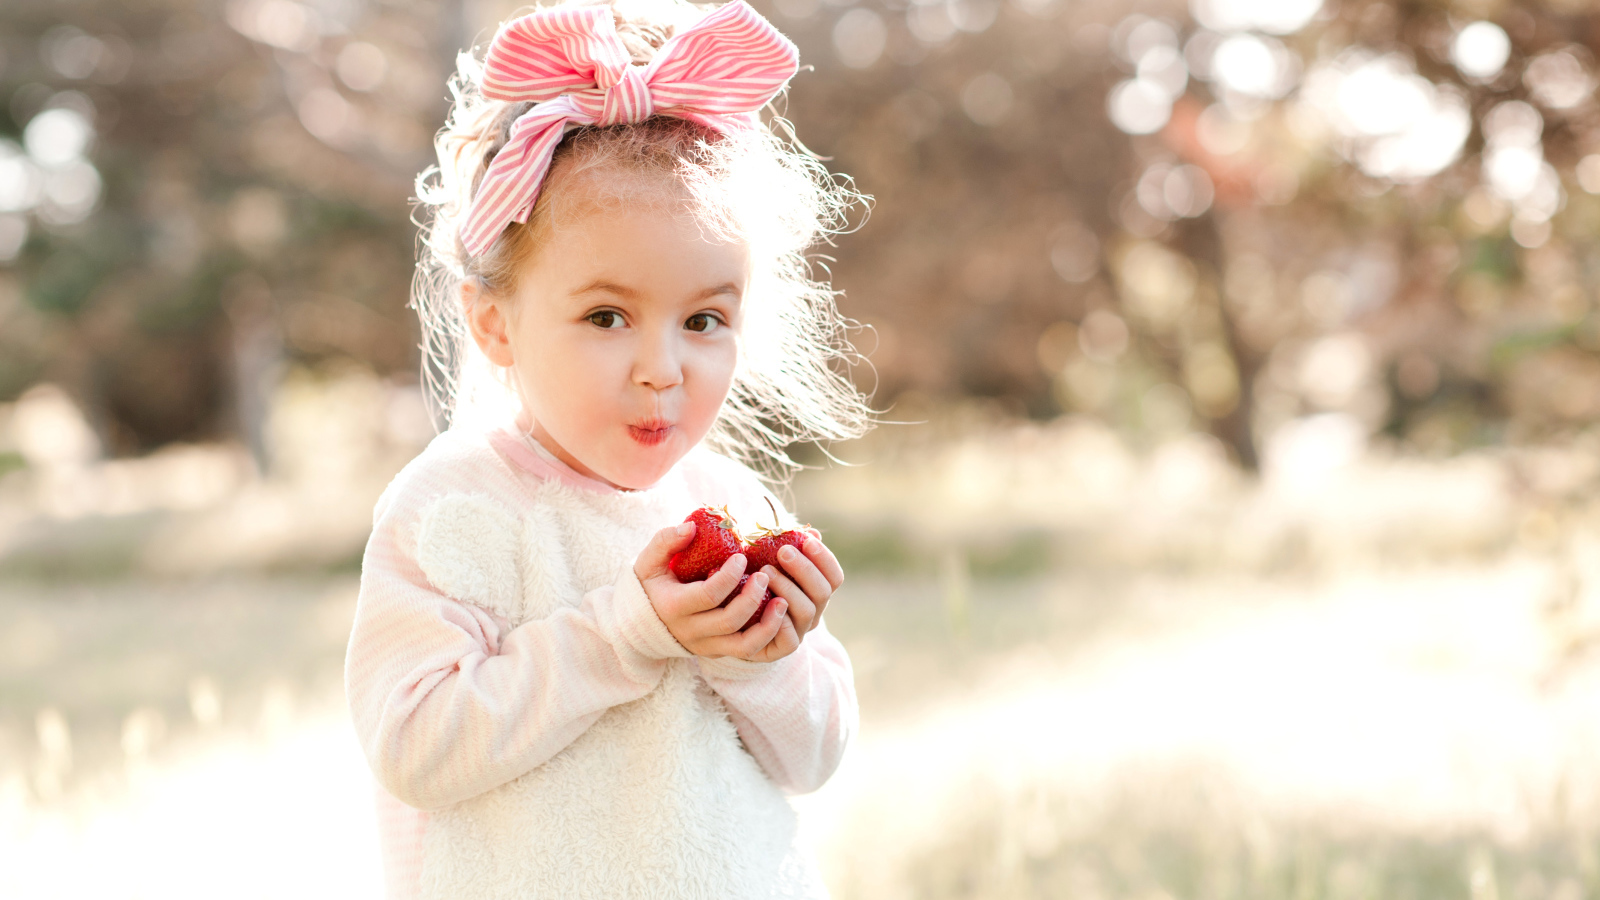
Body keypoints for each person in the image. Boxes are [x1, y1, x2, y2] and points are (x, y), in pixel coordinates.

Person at [343, 0, 873, 896]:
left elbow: (814, 756)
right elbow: (413, 747)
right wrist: (625, 634)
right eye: (606, 316)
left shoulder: (736, 506)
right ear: (494, 323)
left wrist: (766, 651)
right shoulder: (454, 509)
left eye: (704, 319)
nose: (662, 369)